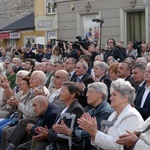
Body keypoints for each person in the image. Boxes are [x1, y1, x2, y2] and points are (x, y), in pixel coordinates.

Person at [77, 79, 144, 150]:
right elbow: (105, 139)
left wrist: (94, 132)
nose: (110, 98)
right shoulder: (114, 114)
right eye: (111, 95)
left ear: (125, 98)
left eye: (114, 95)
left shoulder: (131, 116)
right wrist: (92, 133)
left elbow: (118, 145)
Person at [16, 82, 84, 150]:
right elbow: (56, 128)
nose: (60, 93)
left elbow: (70, 134)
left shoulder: (76, 109)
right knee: (21, 148)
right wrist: (46, 131)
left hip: (62, 145)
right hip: (53, 140)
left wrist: (47, 134)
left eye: (63, 91)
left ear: (72, 94)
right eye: (60, 91)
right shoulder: (65, 107)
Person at [53, 82, 114, 150]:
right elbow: (80, 128)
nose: (87, 95)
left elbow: (97, 133)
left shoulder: (106, 111)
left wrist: (71, 132)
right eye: (87, 92)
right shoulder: (91, 111)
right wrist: (68, 131)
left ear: (100, 94)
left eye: (90, 92)